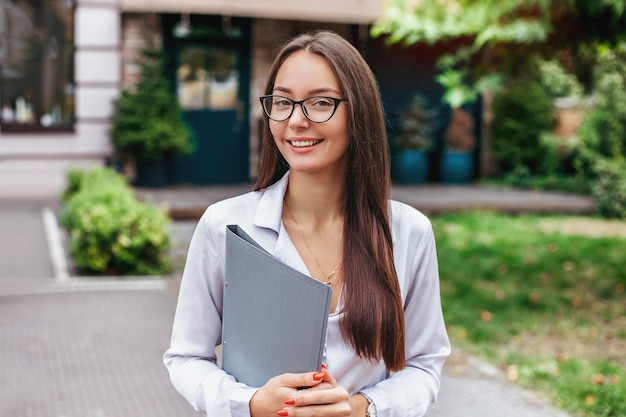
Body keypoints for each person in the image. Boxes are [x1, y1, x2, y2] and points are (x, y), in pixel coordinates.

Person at [164, 30, 450, 417]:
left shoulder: (408, 232)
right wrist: (248, 403)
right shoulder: (225, 226)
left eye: (320, 103)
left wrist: (362, 408)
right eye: (282, 102)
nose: (296, 121)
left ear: (358, 111)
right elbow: (185, 357)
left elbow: (424, 364)